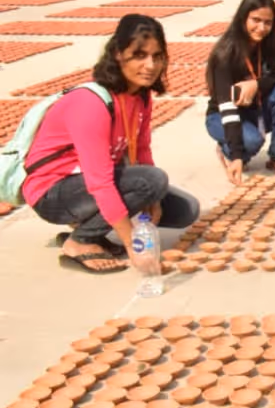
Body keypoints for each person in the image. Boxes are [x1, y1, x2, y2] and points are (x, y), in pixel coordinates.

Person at [22, 15, 199, 274]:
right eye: (139, 55)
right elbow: (100, 182)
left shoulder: (141, 95)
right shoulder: (91, 104)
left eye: (157, 56)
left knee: (184, 210)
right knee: (152, 180)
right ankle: (79, 242)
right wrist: (133, 245)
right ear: (118, 54)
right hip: (52, 192)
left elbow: (141, 150)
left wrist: (155, 198)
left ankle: (89, 226)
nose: (150, 65)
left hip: (87, 185)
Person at [205, 0, 275, 183]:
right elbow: (227, 107)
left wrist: (256, 85)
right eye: (255, 20)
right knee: (250, 143)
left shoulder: (270, 42)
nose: (262, 28)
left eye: (268, 22)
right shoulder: (225, 54)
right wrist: (237, 156)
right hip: (222, 116)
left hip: (255, 108)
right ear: (243, 18)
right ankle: (227, 148)